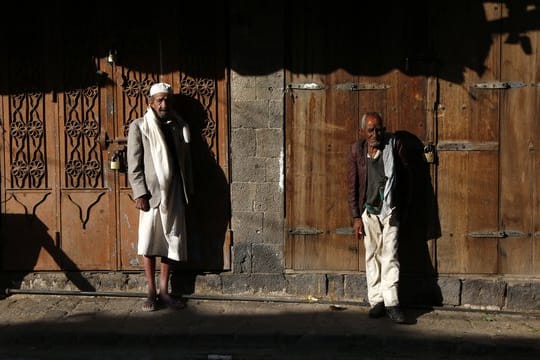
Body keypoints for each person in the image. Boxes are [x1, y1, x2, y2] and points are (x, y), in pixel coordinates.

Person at [127, 82, 194, 312]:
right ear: (150, 102)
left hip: (174, 191)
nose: (163, 104)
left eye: (167, 100)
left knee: (171, 241)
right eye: (159, 100)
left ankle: (165, 291)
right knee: (149, 242)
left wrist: (188, 189)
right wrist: (140, 193)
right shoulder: (140, 126)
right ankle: (150, 291)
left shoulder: (177, 125)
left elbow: (184, 161)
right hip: (151, 196)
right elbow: (134, 165)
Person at [347, 112, 412, 324]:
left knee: (390, 254)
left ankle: (392, 303)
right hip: (369, 211)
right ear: (363, 132)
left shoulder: (393, 146)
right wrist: (356, 217)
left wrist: (402, 208)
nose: (376, 134)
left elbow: (406, 178)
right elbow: (353, 186)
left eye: (379, 129)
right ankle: (377, 301)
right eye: (371, 130)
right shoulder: (357, 150)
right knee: (372, 255)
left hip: (390, 210)